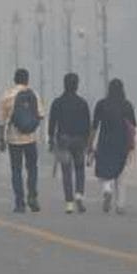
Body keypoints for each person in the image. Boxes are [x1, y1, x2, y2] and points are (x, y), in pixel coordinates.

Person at [0, 68, 45, 213]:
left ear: (15, 80)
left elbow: (1, 121)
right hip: (31, 138)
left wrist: (1, 139)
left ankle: (20, 203)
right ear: (27, 80)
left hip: (14, 139)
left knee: (16, 170)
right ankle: (32, 196)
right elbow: (41, 115)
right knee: (32, 169)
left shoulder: (7, 95)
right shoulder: (34, 94)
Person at [89, 78, 136, 214]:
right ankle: (120, 205)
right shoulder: (127, 105)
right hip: (121, 143)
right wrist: (132, 145)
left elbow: (94, 126)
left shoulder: (102, 104)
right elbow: (132, 126)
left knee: (104, 170)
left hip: (105, 142)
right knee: (120, 173)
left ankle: (107, 190)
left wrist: (90, 144)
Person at [47, 73, 91, 214]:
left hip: (63, 140)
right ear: (77, 85)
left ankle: (69, 203)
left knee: (66, 172)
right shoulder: (82, 103)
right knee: (79, 169)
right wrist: (87, 142)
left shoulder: (57, 102)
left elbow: (52, 123)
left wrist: (50, 139)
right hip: (79, 140)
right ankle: (79, 194)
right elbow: (87, 124)